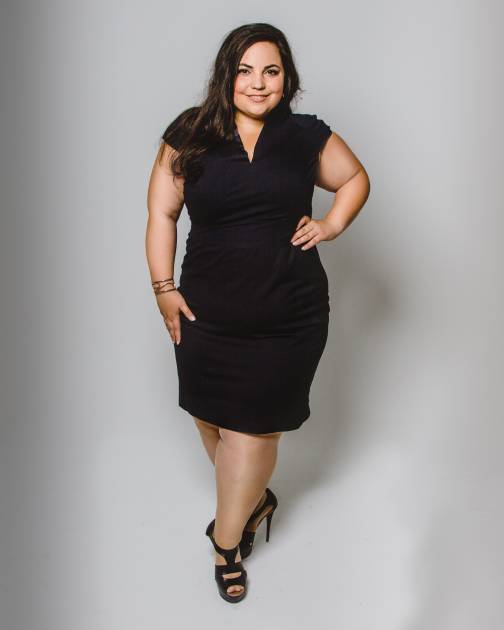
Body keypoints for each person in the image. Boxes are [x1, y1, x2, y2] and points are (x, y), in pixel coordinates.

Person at [145, 22, 370, 603]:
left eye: (271, 70)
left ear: (286, 77)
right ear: (227, 74)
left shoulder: (304, 136)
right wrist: (163, 288)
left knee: (252, 432)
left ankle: (225, 544)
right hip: (205, 317)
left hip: (287, 316)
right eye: (245, 70)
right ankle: (255, 501)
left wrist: (331, 224)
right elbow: (162, 214)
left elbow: (353, 179)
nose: (258, 82)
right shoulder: (189, 134)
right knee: (212, 420)